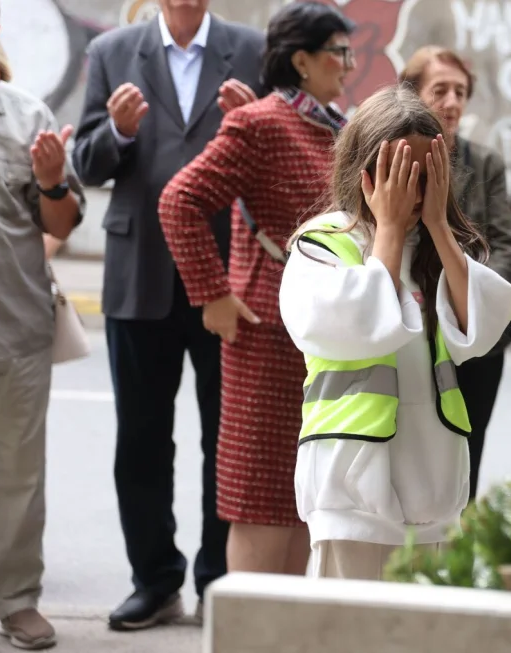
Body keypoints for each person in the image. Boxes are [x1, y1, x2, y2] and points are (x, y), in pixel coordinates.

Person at [70, 0, 264, 630]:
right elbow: (87, 164)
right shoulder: (111, 52)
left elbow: (276, 155)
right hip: (140, 273)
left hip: (227, 274)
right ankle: (154, 581)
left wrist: (249, 124)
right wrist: (119, 131)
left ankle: (218, 579)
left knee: (227, 439)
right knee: (141, 441)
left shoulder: (251, 50)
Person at [278, 85, 511, 580]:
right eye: (399, 172)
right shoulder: (323, 242)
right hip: (350, 494)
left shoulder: (438, 248)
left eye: (426, 173)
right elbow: (356, 325)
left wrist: (437, 225)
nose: (413, 189)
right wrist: (386, 233)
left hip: (434, 490)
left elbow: (485, 326)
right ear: (364, 172)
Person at [157, 2, 355, 579]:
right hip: (265, 337)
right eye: (337, 52)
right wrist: (212, 295)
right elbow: (179, 201)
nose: (347, 64)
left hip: (325, 337)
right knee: (260, 501)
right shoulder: (260, 123)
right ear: (301, 60)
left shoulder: (335, 125)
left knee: (304, 500)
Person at [0, 2, 87, 647]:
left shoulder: (28, 117)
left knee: (19, 475)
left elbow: (61, 223)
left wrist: (53, 183)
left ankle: (16, 597)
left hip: (14, 331)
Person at [398, 45, 511, 500]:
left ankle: (455, 558)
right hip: (413, 328)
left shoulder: (483, 162)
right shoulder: (390, 156)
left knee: (467, 456)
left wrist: (471, 294)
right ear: (411, 94)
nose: (452, 102)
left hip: (473, 335)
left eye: (461, 92)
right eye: (440, 90)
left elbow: (505, 244)